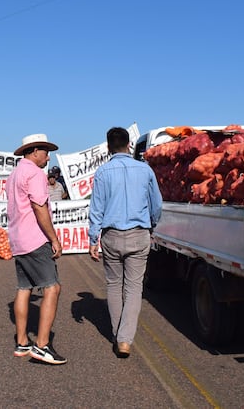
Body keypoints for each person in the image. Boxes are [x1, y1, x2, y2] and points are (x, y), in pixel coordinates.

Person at [88, 126, 162, 358]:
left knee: (113, 285)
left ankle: (117, 333)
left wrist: (93, 237)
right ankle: (125, 340)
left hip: (111, 235)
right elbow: (156, 204)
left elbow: (97, 207)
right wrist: (152, 224)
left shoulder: (102, 172)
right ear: (129, 145)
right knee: (133, 288)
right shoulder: (145, 170)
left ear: (108, 146)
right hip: (139, 233)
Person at [6, 133, 66, 365]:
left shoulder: (14, 174)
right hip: (35, 238)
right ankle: (42, 345)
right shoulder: (34, 173)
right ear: (34, 151)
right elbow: (39, 207)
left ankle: (22, 342)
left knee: (25, 288)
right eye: (45, 151)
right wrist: (54, 238)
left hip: (19, 240)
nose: (48, 157)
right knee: (52, 288)